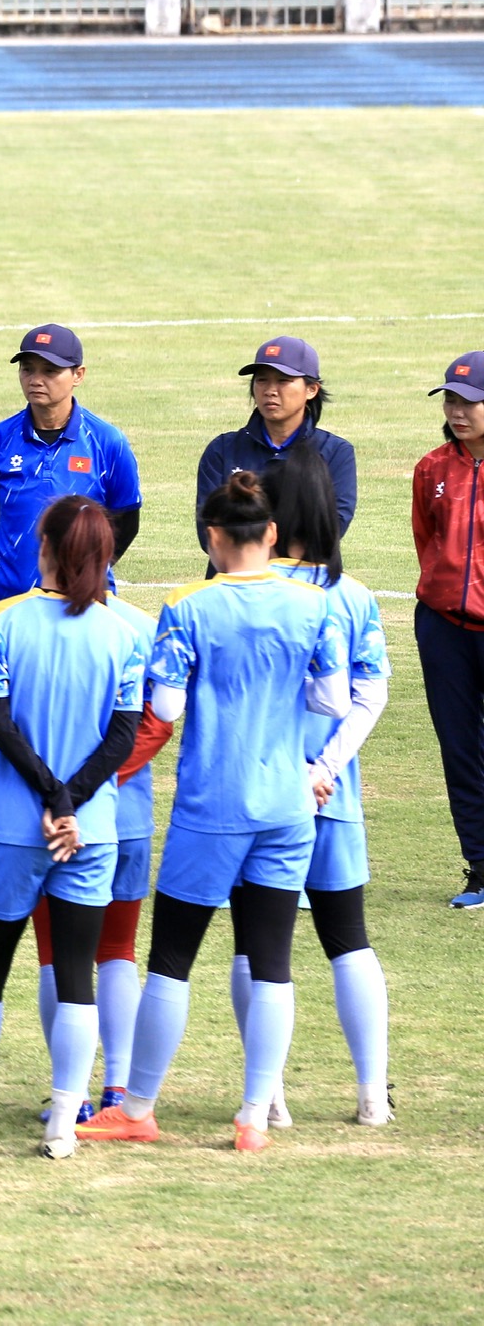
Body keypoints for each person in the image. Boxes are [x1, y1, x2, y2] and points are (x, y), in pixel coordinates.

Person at [82, 472, 348, 1152]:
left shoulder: (188, 605)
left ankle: (138, 1105)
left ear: (212, 536)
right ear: (271, 534)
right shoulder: (313, 606)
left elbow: (165, 708)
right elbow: (333, 699)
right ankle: (255, 1113)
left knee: (172, 957)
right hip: (287, 803)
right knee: (272, 960)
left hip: (211, 804)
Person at [0, 497, 144, 1161]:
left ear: (43, 547)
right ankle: (63, 1124)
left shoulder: (2, 622)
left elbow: (0, 723)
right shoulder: (124, 633)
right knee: (77, 974)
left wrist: (47, 794)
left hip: (15, 828)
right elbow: (123, 733)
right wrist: (73, 802)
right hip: (92, 829)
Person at [241, 453, 392, 1126]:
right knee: (348, 937)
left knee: (257, 945)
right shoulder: (353, 593)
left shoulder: (247, 590)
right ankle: (371, 1094)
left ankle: (268, 1094)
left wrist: (298, 772)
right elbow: (370, 694)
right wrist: (325, 767)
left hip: (258, 793)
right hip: (334, 796)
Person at [0, 325, 142, 608]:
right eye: (27, 369)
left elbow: (126, 522)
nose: (35, 380)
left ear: (78, 375)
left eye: (49, 371)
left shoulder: (108, 441)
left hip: (86, 603)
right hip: (8, 603)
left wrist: (87, 570)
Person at [412, 352, 484, 907]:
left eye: (469, 402)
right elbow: (426, 541)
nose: (458, 412)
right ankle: (480, 868)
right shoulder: (431, 468)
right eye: (452, 401)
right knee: (459, 748)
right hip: (442, 629)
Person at [197, 336, 358, 542]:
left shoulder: (335, 452)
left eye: (283, 380)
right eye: (262, 379)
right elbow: (208, 531)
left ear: (311, 389)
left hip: (303, 573)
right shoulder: (221, 449)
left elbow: (331, 528)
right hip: (235, 574)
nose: (270, 391)